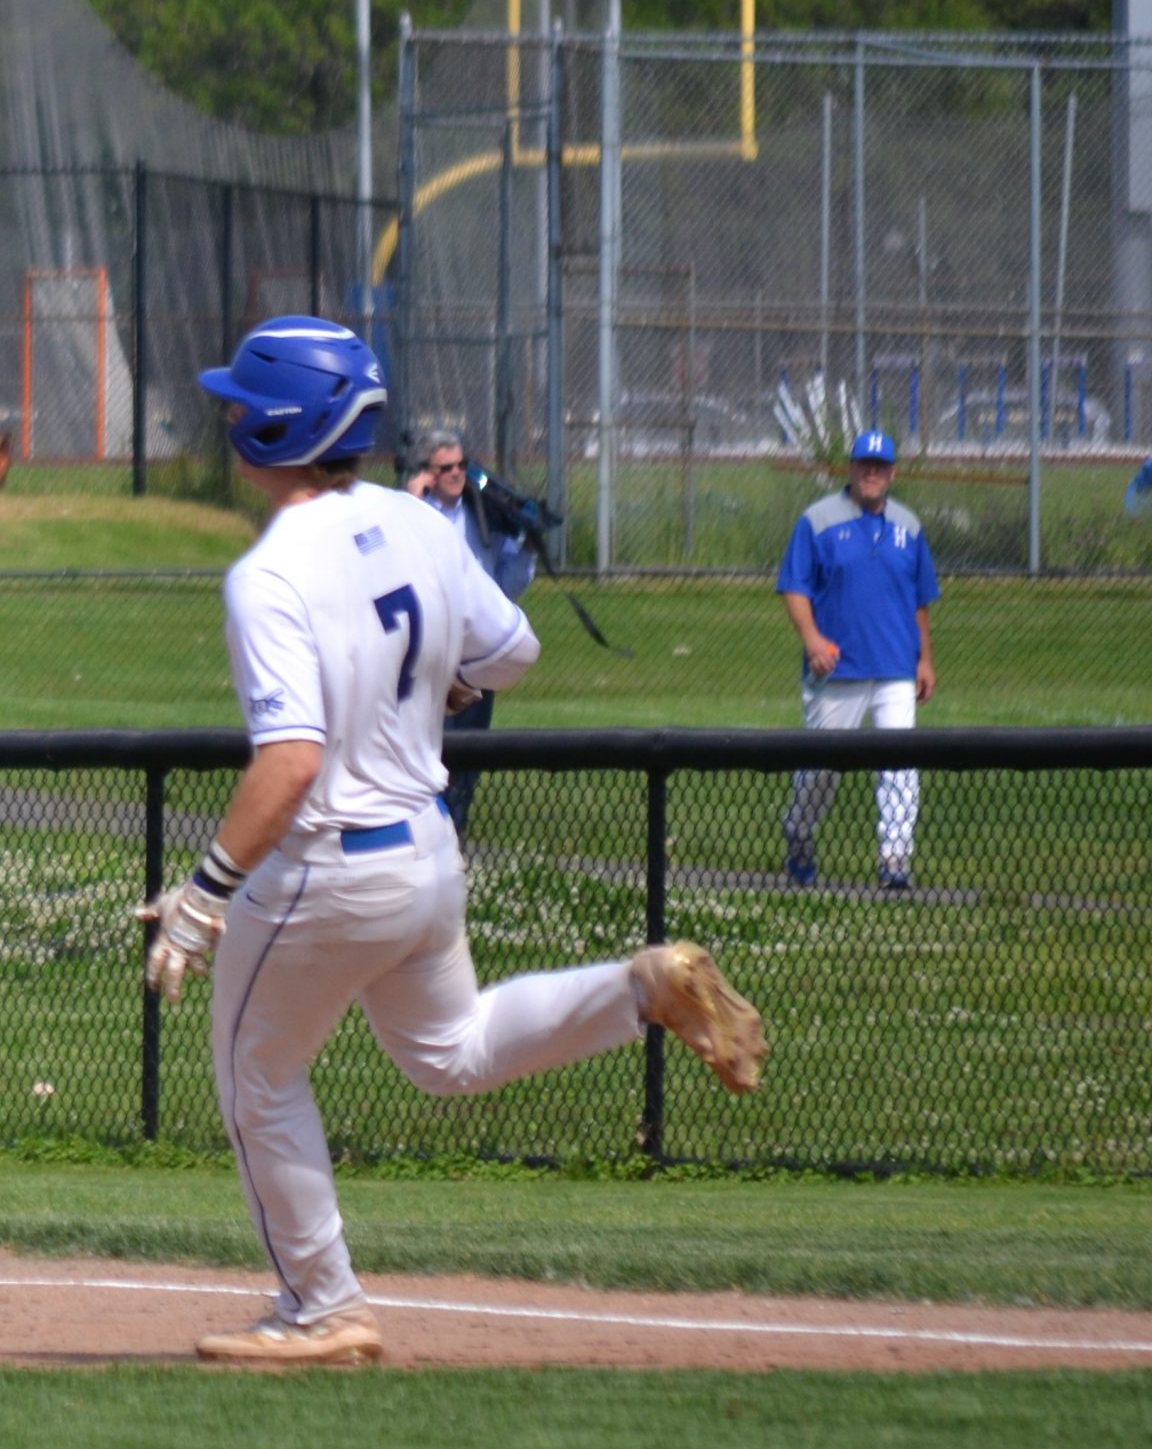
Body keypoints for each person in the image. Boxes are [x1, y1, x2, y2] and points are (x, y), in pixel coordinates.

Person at [137, 316, 767, 1369]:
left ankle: (321, 1305)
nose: (229, 418)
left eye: (239, 404)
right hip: (425, 854)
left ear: (270, 428)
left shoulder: (268, 573)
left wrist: (204, 896)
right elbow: (512, 650)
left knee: (255, 1074)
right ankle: (637, 988)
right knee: (450, 1052)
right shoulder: (416, 521)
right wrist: (448, 678)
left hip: (327, 865)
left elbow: (288, 764)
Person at [776, 428, 939, 892]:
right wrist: (811, 640)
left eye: (879, 466)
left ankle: (894, 861)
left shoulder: (909, 526)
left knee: (900, 766)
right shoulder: (819, 520)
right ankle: (800, 832)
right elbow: (795, 587)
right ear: (850, 469)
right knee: (822, 770)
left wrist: (924, 659)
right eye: (863, 465)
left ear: (892, 472)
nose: (871, 473)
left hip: (894, 666)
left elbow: (918, 600)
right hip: (837, 666)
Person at [404, 427, 537, 835]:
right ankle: (429, 827)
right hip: (429, 652)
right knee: (432, 748)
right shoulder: (410, 514)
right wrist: (412, 503)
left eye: (462, 465)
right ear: (426, 472)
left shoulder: (481, 514)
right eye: (446, 468)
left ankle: (456, 829)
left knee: (472, 748)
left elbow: (506, 585)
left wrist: (529, 546)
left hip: (474, 652)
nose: (457, 473)